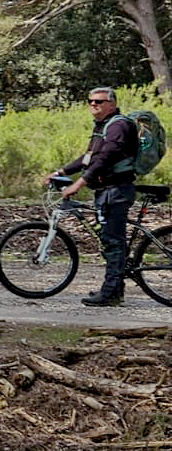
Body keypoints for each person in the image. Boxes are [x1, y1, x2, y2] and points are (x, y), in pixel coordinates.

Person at [55, 87, 139, 307]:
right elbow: (89, 157)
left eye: (99, 101)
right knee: (110, 241)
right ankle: (115, 288)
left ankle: (111, 294)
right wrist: (62, 172)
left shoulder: (118, 126)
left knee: (113, 243)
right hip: (106, 191)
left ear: (111, 104)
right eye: (90, 101)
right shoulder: (103, 127)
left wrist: (79, 183)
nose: (94, 105)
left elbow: (106, 158)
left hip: (116, 191)